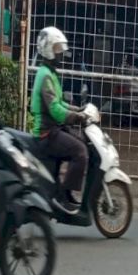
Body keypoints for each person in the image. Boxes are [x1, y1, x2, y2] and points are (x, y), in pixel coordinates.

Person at [31, 26, 90, 216]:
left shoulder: (49, 73)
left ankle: (62, 191)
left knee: (80, 144)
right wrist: (76, 117)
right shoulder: (46, 75)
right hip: (46, 133)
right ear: (47, 50)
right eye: (57, 49)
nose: (60, 54)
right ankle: (65, 195)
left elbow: (59, 102)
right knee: (80, 152)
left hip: (53, 130)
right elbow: (55, 110)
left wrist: (78, 110)